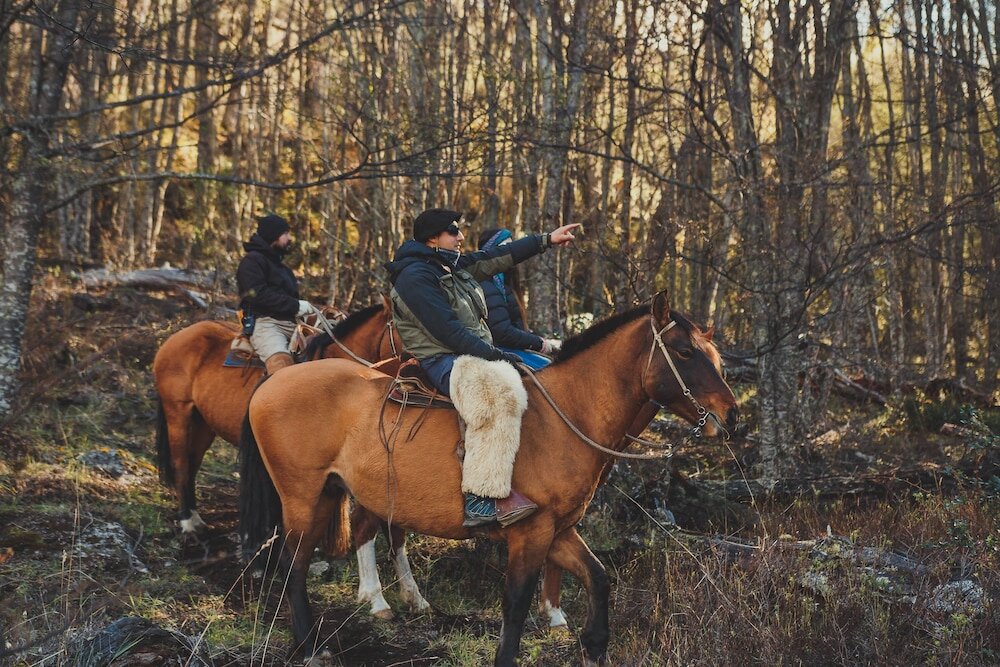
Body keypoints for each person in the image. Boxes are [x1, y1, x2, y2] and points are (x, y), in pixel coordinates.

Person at [385, 207, 579, 527]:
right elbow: (448, 332)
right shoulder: (416, 276)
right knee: (497, 396)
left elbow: (496, 258)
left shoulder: (450, 264)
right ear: (433, 239)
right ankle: (480, 498)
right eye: (453, 231)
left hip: (468, 352)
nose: (461, 237)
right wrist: (497, 356)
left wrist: (546, 240)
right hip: (442, 358)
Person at [236, 213, 315, 374]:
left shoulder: (282, 268)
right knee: (282, 368)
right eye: (285, 234)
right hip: (266, 325)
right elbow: (257, 295)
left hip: (292, 324)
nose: (289, 238)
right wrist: (296, 305)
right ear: (274, 236)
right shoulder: (252, 262)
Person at [477, 228, 561, 370]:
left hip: (513, 349)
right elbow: (502, 332)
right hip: (500, 352)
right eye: (504, 247)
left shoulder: (505, 283)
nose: (509, 251)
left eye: (512, 246)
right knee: (550, 374)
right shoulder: (487, 284)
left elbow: (515, 327)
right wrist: (539, 343)